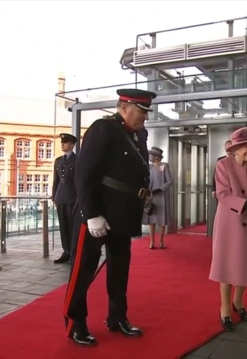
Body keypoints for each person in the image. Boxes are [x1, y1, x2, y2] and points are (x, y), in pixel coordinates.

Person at [63, 88, 156, 347]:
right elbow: (84, 174)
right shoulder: (102, 129)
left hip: (124, 213)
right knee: (83, 270)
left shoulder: (139, 134)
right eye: (141, 112)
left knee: (119, 270)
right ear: (124, 107)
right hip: (97, 213)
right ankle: (76, 322)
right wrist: (92, 214)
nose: (144, 118)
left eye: (147, 113)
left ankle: (117, 317)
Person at [210, 126, 247, 332]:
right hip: (230, 220)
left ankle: (239, 301)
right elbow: (223, 194)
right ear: (235, 149)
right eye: (246, 148)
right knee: (228, 264)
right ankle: (225, 307)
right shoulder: (223, 165)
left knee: (245, 263)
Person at [52, 133, 78, 264]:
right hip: (61, 197)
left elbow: (79, 182)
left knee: (72, 227)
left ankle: (74, 252)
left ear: (72, 145)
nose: (63, 144)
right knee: (63, 227)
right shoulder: (58, 161)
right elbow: (55, 181)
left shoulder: (78, 160)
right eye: (62, 142)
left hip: (73, 199)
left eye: (66, 142)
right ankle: (66, 251)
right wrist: (54, 197)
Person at [143, 146, 173, 249]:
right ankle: (151, 242)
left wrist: (160, 189)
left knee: (162, 221)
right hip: (151, 197)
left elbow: (170, 181)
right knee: (151, 220)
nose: (150, 156)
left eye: (152, 155)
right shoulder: (149, 167)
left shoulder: (165, 166)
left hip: (161, 196)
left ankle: (161, 242)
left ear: (157, 156)